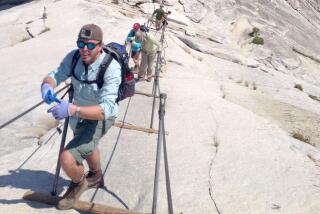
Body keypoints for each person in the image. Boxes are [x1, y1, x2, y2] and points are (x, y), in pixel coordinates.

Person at [40, 24, 121, 210]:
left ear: (100, 46)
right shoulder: (75, 57)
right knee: (87, 144)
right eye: (80, 43)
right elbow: (57, 74)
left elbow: (106, 109)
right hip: (78, 113)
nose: (84, 49)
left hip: (100, 118)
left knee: (67, 158)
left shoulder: (111, 67)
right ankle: (96, 175)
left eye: (91, 45)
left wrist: (71, 110)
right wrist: (47, 86)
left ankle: (79, 183)